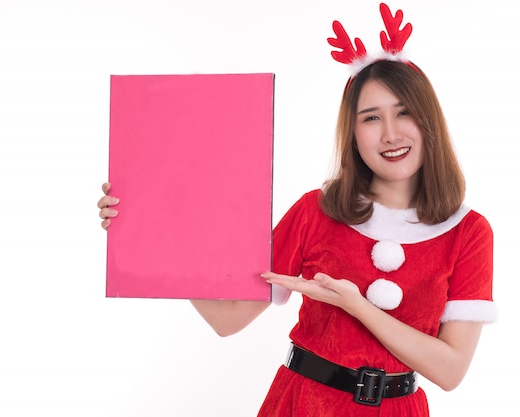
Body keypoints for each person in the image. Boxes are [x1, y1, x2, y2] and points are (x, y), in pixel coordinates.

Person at [97, 3, 497, 416]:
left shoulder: (468, 232)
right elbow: (228, 319)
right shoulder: (316, 212)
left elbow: (450, 371)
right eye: (371, 117)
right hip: (303, 404)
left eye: (405, 113)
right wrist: (149, 228)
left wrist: (354, 304)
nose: (391, 133)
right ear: (353, 133)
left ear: (428, 120)